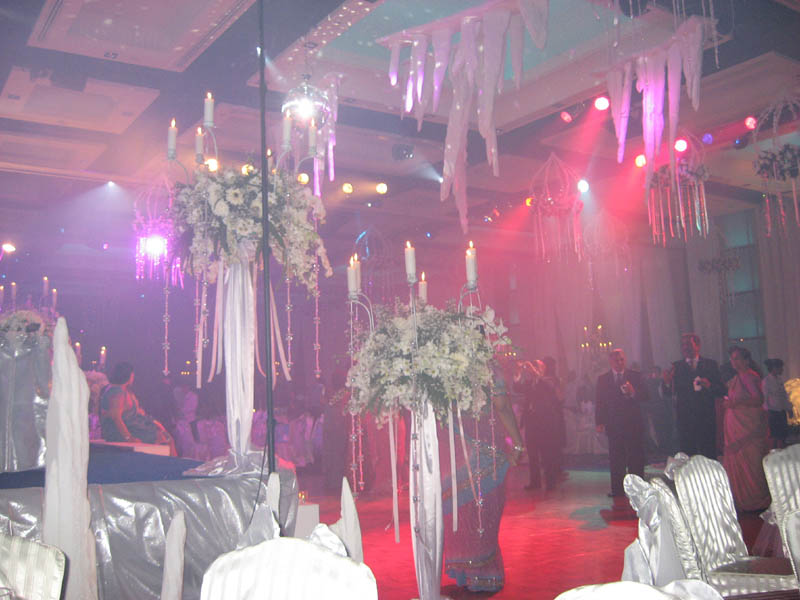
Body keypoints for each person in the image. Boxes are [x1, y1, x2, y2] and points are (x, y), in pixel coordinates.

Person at [441, 363, 525, 593]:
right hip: (486, 451)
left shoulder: (445, 365)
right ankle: (483, 574)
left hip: (455, 453)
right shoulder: (488, 367)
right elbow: (502, 405)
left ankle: (465, 571)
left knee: (463, 512)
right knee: (483, 513)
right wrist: (518, 443)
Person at [722, 347, 771, 511]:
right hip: (737, 429)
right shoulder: (737, 378)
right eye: (732, 359)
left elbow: (758, 399)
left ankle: (755, 500)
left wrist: (734, 403)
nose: (733, 362)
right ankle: (743, 500)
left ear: (746, 360)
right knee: (740, 464)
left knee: (752, 465)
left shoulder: (750, 377)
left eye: (737, 358)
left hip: (748, 429)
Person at [595, 349, 648, 498]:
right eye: (616, 360)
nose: (619, 363)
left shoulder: (635, 376)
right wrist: (599, 422)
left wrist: (633, 392)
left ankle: (638, 489)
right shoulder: (603, 379)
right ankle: (617, 489)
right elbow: (599, 402)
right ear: (610, 361)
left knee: (635, 457)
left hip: (633, 423)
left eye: (622, 360)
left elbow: (646, 396)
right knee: (616, 458)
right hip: (614, 424)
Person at [666, 333, 726, 459]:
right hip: (685, 418)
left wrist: (709, 385)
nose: (685, 347)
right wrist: (667, 382)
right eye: (683, 345)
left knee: (708, 452)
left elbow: (722, 390)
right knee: (688, 454)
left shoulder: (710, 364)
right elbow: (667, 393)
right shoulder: (676, 367)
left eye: (688, 344)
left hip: (706, 416)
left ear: (697, 345)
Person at [100, 362, 175, 454]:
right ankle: (170, 461)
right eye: (132, 375)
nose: (133, 378)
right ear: (128, 376)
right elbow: (115, 417)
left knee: (165, 436)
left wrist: (155, 423)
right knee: (165, 439)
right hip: (121, 432)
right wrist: (129, 438)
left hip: (132, 427)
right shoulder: (117, 392)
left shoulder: (123, 391)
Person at [514, 359, 562, 490]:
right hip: (531, 422)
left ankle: (550, 483)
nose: (532, 369)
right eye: (532, 366)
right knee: (532, 454)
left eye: (536, 367)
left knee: (547, 454)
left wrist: (534, 372)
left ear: (543, 369)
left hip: (545, 423)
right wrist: (518, 373)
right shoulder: (529, 382)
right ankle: (535, 483)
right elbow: (517, 388)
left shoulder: (549, 380)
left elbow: (550, 389)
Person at [762, 358, 793, 449]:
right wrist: (766, 411)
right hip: (773, 411)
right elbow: (765, 397)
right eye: (780, 368)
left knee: (783, 434)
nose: (782, 370)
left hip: (781, 410)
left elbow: (784, 396)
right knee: (774, 435)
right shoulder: (766, 381)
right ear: (774, 368)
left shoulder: (779, 380)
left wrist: (789, 408)